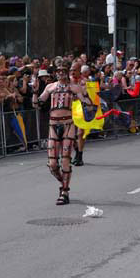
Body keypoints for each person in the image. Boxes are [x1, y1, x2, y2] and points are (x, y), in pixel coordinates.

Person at [33, 66, 90, 205]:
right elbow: (37, 104)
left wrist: (85, 96)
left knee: (65, 160)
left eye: (63, 71)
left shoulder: (74, 87)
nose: (60, 73)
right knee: (52, 164)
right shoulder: (50, 87)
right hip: (53, 125)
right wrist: (34, 92)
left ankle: (64, 192)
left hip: (68, 125)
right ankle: (63, 182)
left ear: (67, 73)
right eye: (58, 71)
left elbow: (88, 104)